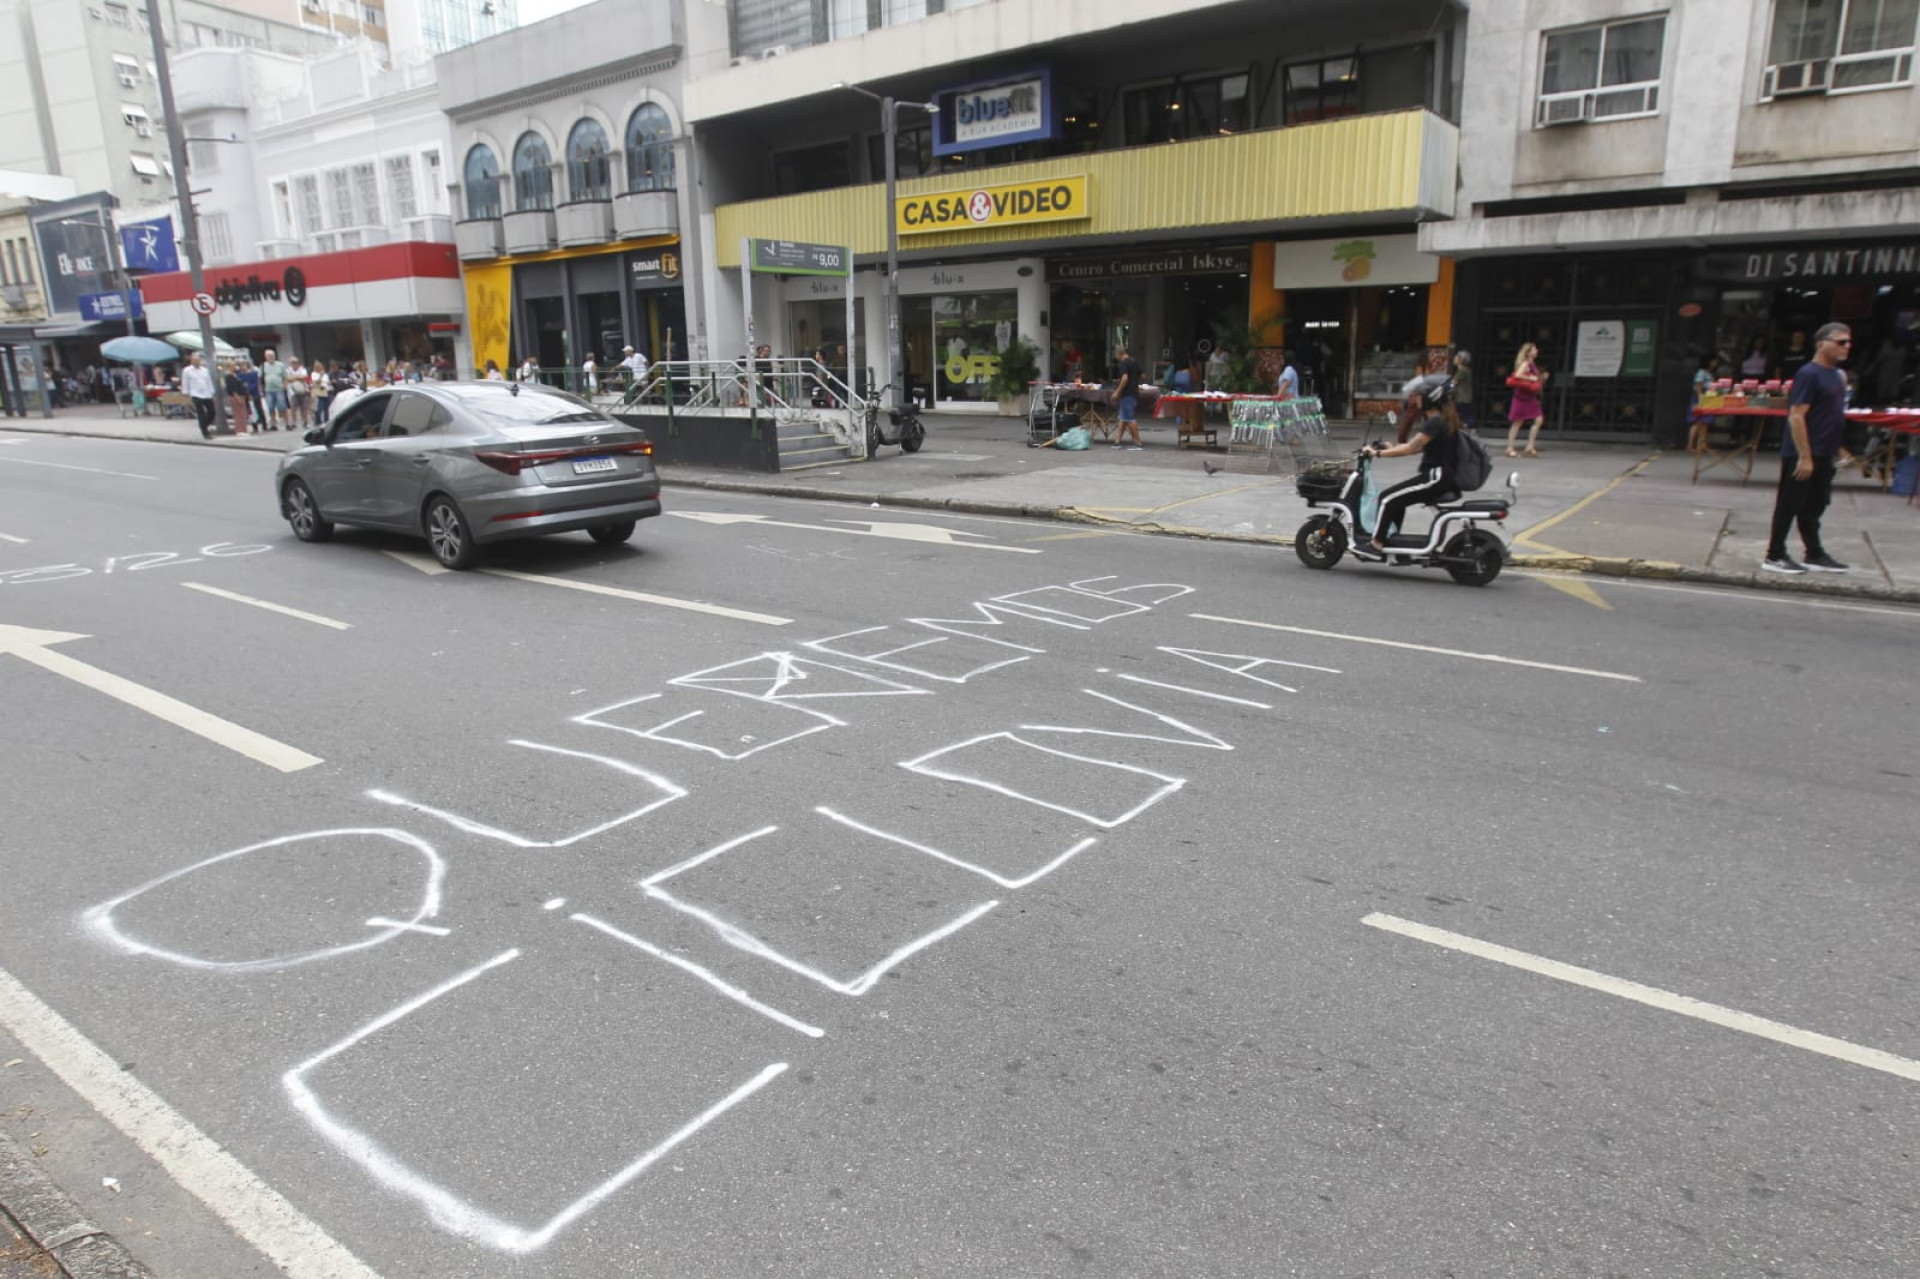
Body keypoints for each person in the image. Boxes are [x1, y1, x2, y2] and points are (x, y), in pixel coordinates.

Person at [1763, 322, 1854, 575]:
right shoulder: (1808, 374)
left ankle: (1814, 552)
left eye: (1848, 342)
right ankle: (1774, 554)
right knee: (1790, 503)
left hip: (1826, 451)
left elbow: (1832, 416)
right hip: (1802, 452)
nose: (1846, 347)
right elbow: (1796, 415)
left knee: (1815, 504)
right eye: (1840, 342)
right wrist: (1804, 456)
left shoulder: (1839, 376)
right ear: (1821, 343)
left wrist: (1839, 449)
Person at [1360, 375, 1462, 554]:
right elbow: (1415, 447)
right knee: (1397, 501)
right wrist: (1391, 447)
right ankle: (1392, 540)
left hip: (1435, 477)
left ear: (1431, 398)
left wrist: (1377, 453)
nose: (1416, 398)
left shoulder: (1435, 422)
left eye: (1420, 395)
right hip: (1441, 476)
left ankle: (1376, 544)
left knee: (1387, 498)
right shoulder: (1441, 420)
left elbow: (1411, 448)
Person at [1505, 342, 1547, 458]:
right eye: (1534, 349)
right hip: (1522, 397)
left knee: (1538, 419)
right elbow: (1517, 375)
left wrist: (1541, 377)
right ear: (1528, 352)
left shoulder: (1532, 363)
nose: (1536, 351)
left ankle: (1530, 446)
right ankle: (1510, 448)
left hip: (1530, 397)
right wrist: (1530, 377)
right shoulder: (1525, 363)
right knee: (1517, 422)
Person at [1688, 354, 1723, 454]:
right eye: (1714, 361)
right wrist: (1700, 397)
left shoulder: (1709, 373)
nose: (1715, 363)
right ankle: (1690, 445)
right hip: (1701, 396)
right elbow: (1699, 384)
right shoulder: (1701, 372)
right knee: (1697, 421)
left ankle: (1703, 444)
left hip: (1708, 396)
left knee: (1704, 422)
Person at [1111, 344, 1144, 450]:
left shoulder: (1124, 364)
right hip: (1134, 392)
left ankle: (1138, 442)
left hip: (1127, 394)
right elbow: (1142, 376)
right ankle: (1117, 441)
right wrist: (1135, 383)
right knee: (1123, 417)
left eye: (1115, 354)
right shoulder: (1134, 361)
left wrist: (1117, 392)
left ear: (1118, 354)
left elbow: (1124, 379)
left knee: (1129, 418)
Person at [181, 351, 216, 439]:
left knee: (212, 412)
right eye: (195, 360)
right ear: (191, 361)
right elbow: (185, 383)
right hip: (195, 393)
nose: (197, 362)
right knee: (201, 413)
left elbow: (209, 382)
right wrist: (186, 394)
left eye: (198, 360)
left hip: (206, 393)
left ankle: (204, 425)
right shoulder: (187, 370)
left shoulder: (205, 370)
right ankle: (205, 433)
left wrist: (212, 393)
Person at [259, 349, 287, 430]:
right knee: (270, 407)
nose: (271, 357)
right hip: (268, 390)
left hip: (279, 388)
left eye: (272, 356)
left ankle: (287, 423)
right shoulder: (263, 366)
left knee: (283, 407)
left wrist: (285, 386)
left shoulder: (280, 365)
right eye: (268, 356)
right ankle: (273, 424)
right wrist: (261, 389)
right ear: (266, 357)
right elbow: (260, 379)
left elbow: (284, 377)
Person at [285, 357, 310, 430]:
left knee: (304, 408)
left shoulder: (302, 369)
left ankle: (305, 422)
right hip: (292, 392)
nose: (294, 364)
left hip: (303, 391)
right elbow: (288, 379)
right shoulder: (288, 370)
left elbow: (304, 377)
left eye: (295, 362)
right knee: (293, 408)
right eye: (292, 363)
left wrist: (294, 377)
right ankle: (294, 423)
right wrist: (298, 377)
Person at [1451, 350, 1474, 426]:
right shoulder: (1463, 370)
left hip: (1463, 398)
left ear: (1461, 360)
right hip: (1463, 397)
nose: (1454, 359)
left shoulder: (1462, 371)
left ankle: (1471, 429)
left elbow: (1454, 382)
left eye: (1457, 357)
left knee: (1465, 416)